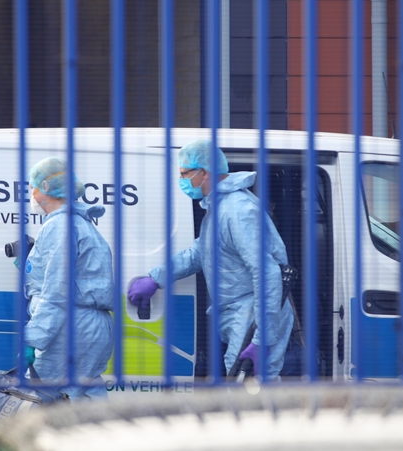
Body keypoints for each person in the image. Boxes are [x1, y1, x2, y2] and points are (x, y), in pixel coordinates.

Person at [127, 140, 294, 380]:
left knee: (250, 393)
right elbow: (200, 252)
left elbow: (266, 273)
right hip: (241, 314)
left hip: (253, 316)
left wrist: (262, 337)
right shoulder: (219, 208)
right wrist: (157, 278)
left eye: (185, 174)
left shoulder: (238, 211)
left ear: (204, 172)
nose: (182, 180)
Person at [23, 156, 114, 401]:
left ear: (47, 189)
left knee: (48, 400)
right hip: (89, 326)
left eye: (33, 186)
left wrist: (32, 339)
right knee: (87, 394)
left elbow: (57, 291)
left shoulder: (58, 226)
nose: (30, 192)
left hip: (72, 328)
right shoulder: (79, 223)